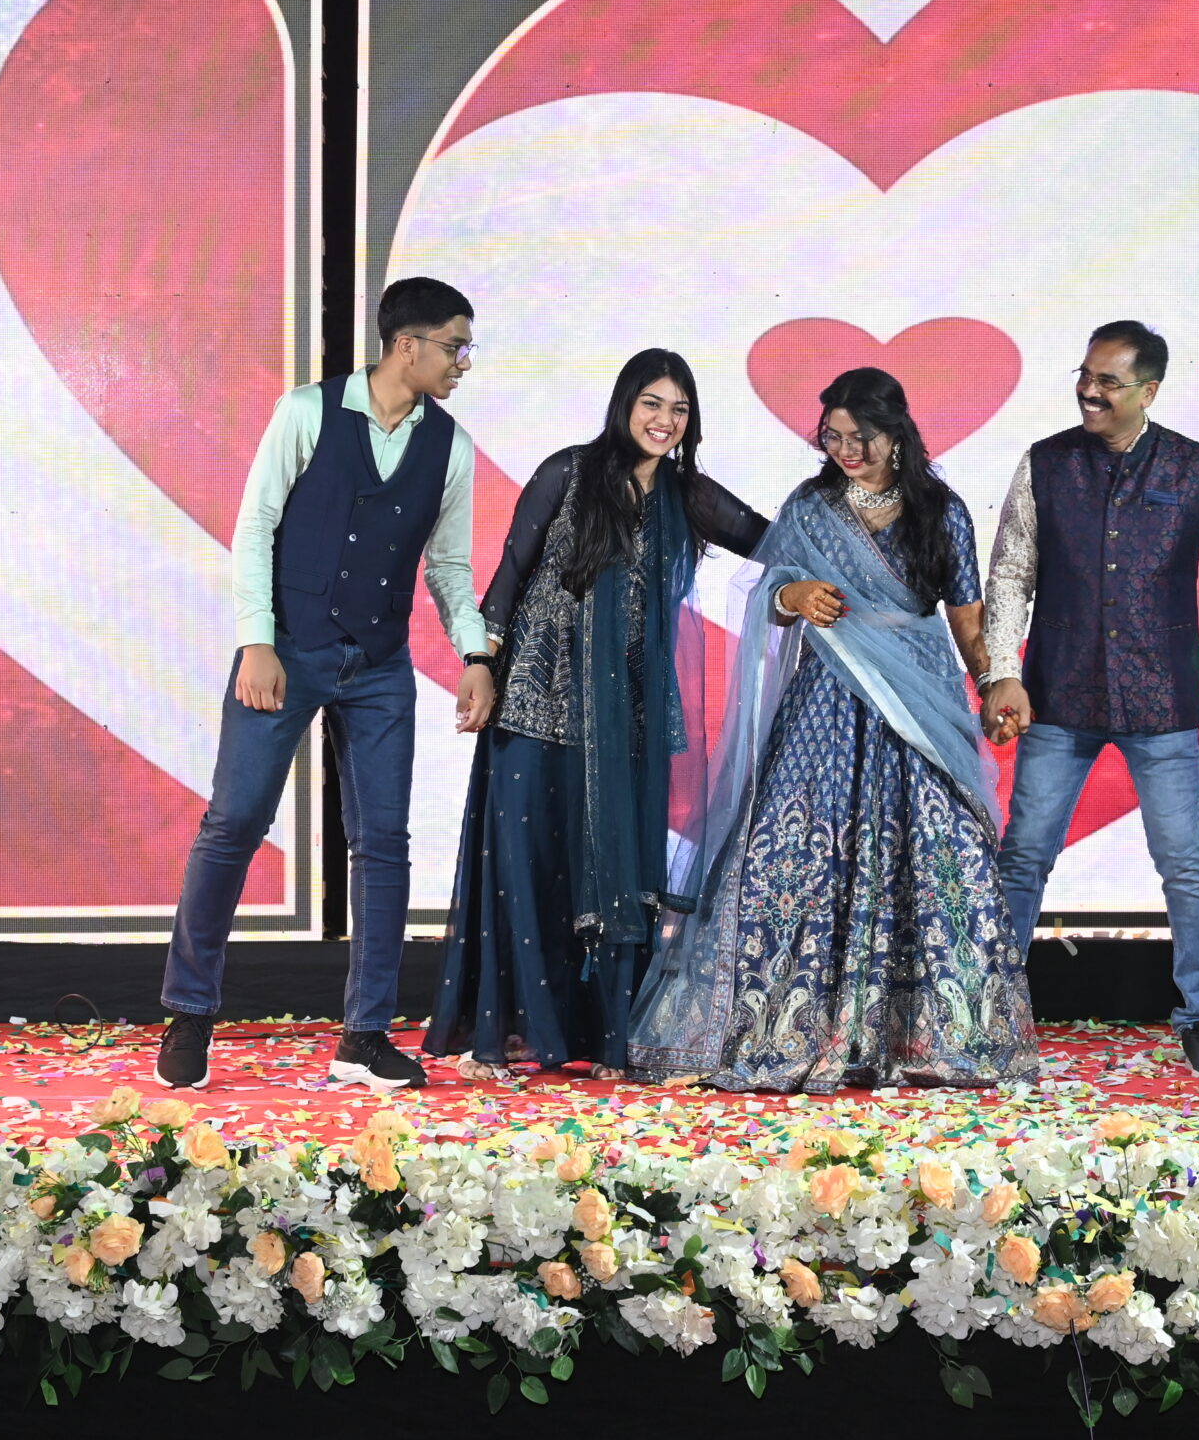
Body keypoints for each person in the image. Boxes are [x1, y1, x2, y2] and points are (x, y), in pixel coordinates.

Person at [631, 367, 1036, 1091]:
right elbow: (767, 590)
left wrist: (993, 684)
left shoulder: (941, 512)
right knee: (795, 852)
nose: (846, 450)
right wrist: (791, 593)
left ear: (896, 434)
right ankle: (786, 1029)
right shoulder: (811, 507)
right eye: (833, 437)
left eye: (861, 437)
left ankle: (933, 1036)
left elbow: (968, 621)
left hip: (919, 704)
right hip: (824, 703)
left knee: (941, 858)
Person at [156, 277, 495, 1093]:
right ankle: (189, 1011)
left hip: (378, 664)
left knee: (383, 843)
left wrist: (475, 652)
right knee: (235, 820)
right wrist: (257, 640)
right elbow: (255, 527)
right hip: (288, 649)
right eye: (455, 347)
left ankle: (364, 1036)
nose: (463, 363)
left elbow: (448, 566)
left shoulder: (451, 447)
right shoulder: (306, 412)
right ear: (406, 344)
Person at [424, 349, 769, 1079]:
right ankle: (514, 1031)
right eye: (652, 403)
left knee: (614, 868)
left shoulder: (687, 495)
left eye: (679, 409)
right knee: (526, 861)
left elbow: (775, 540)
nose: (665, 420)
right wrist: (479, 662)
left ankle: (607, 1036)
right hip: (535, 697)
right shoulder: (568, 472)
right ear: (624, 404)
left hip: (625, 715)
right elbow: (510, 575)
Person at [979, 321, 1199, 1079]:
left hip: (1161, 695)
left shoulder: (1196, 466)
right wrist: (1001, 672)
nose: (1089, 391)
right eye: (1084, 376)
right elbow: (1011, 573)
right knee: (1024, 855)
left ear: (1149, 391)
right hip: (1059, 690)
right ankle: (990, 1012)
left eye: (1108, 382)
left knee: (1184, 860)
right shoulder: (1045, 463)